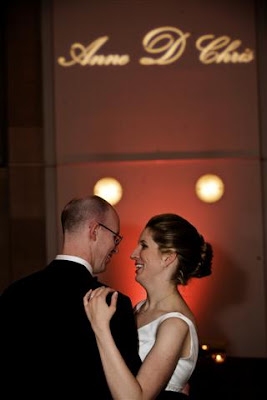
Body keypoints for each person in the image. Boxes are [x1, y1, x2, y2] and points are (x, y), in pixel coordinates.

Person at [1, 195, 141, 398]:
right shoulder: (112, 303)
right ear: (94, 231)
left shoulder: (14, 293)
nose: (116, 248)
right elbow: (127, 385)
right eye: (115, 237)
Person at [84, 213, 213, 399]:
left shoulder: (175, 324)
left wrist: (101, 328)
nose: (133, 254)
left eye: (144, 246)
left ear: (168, 257)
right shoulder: (138, 309)